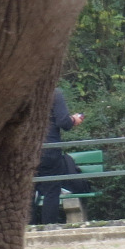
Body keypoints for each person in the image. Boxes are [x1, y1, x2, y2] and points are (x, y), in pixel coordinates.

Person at [32, 88, 85, 225]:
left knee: (27, 191)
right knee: (52, 190)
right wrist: (73, 119)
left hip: (26, 150)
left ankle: (28, 229)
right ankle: (48, 227)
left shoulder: (22, 92)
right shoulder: (54, 93)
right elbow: (63, 122)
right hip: (49, 149)